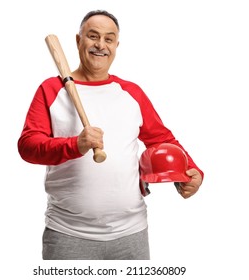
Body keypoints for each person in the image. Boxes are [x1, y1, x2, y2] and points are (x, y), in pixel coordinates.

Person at [17, 10, 204, 260]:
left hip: (132, 233)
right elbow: (28, 146)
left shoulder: (131, 92)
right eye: (92, 36)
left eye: (108, 38)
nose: (100, 45)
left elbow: (162, 139)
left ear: (116, 45)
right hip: (68, 235)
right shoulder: (51, 89)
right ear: (78, 40)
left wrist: (192, 171)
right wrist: (76, 145)